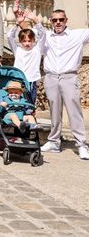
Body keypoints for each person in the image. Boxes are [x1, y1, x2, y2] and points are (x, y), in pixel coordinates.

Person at [40, 9, 89, 160]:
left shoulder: (78, 34)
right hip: (51, 77)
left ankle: (81, 145)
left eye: (61, 19)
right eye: (55, 20)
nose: (58, 22)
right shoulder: (46, 35)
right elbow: (27, 31)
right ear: (51, 21)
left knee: (74, 111)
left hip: (69, 77)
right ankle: (54, 142)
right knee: (54, 111)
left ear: (66, 20)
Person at [7, 7, 45, 104]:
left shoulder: (37, 49)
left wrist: (35, 20)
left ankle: (31, 118)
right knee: (18, 103)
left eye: (29, 41)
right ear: (20, 41)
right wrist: (17, 23)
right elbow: (9, 36)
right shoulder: (18, 50)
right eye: (24, 41)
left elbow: (43, 34)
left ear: (33, 40)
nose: (27, 43)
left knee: (30, 104)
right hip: (19, 81)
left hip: (32, 81)